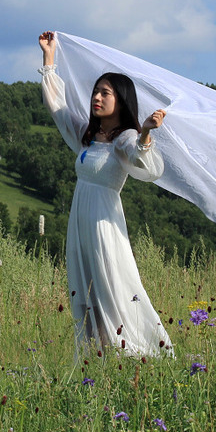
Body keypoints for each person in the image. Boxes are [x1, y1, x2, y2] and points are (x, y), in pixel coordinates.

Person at [38, 31, 173, 358]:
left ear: (120, 100)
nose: (96, 97)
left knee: (112, 289)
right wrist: (49, 58)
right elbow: (57, 107)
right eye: (96, 91)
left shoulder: (124, 139)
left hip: (103, 225)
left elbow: (147, 164)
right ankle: (95, 358)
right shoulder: (89, 136)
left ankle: (140, 352)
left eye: (105, 93)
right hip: (80, 223)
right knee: (84, 295)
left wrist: (145, 133)